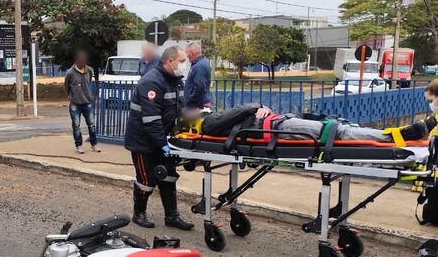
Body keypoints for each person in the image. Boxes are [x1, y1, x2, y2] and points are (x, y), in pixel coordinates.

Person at [178, 78, 438, 143]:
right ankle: (393, 136)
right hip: (278, 128)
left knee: (340, 126)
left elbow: (238, 113)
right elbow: (238, 110)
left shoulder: (210, 120)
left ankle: (390, 134)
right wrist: (257, 106)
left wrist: (258, 109)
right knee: (335, 131)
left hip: (280, 123)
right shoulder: (208, 123)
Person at [124, 46, 194, 230]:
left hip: (165, 140)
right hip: (143, 141)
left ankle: (172, 216)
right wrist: (163, 144)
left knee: (168, 177)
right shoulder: (151, 82)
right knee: (146, 180)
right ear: (170, 61)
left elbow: (179, 111)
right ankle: (139, 214)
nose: (185, 65)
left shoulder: (176, 81)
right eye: (182, 61)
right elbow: (151, 119)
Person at [64, 50, 100, 154]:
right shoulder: (70, 73)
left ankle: (94, 145)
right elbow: (66, 86)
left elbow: (89, 83)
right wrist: (71, 96)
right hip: (75, 104)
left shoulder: (89, 71)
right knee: (76, 125)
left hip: (87, 102)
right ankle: (78, 146)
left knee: (91, 124)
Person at [184, 42, 212, 109]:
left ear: (192, 53)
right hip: (198, 104)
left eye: (187, 54)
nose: (187, 56)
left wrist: (190, 100)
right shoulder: (201, 63)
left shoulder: (199, 66)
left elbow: (199, 87)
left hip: (197, 106)